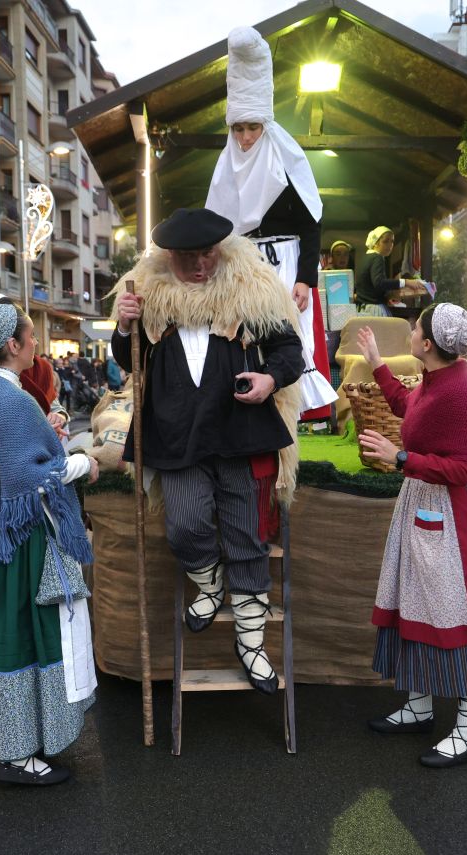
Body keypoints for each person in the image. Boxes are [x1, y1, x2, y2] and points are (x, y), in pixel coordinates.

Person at [112, 207, 304, 693]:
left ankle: (251, 642)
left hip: (239, 433)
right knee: (185, 525)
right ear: (169, 256)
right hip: (175, 434)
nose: (200, 266)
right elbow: (125, 361)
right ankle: (208, 582)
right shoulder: (145, 291)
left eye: (208, 255)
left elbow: (289, 352)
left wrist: (269, 378)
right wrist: (122, 327)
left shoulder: (252, 288)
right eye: (190, 258)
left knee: (246, 536)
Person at [356, 304, 467, 767]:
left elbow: (464, 469)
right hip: (423, 508)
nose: (411, 332)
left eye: (415, 328)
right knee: (417, 606)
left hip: (451, 518)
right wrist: (375, 361)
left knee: (457, 617)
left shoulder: (463, 394)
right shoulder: (435, 382)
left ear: (427, 344)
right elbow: (406, 407)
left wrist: (399, 459)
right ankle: (419, 706)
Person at [0, 300, 98, 786]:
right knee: (22, 637)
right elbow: (28, 479)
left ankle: (2, 739)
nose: (35, 344)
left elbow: (1, 459)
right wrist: (85, 462)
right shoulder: (10, 398)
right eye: (30, 337)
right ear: (13, 344)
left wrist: (46, 437)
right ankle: (16, 754)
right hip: (16, 542)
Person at [203, 26, 334, 418]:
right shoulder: (225, 167)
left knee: (287, 347)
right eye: (238, 128)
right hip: (243, 269)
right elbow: (216, 230)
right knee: (246, 346)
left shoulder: (286, 162)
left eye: (252, 127)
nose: (244, 138)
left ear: (265, 125)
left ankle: (288, 434)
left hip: (286, 265)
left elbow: (312, 222)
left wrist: (304, 279)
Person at [356, 227, 424, 317]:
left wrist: (386, 297)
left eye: (392, 241)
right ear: (376, 243)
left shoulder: (364, 259)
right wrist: (406, 282)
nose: (389, 245)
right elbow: (379, 283)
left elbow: (370, 289)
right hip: (374, 310)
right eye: (385, 241)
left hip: (362, 310)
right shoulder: (377, 258)